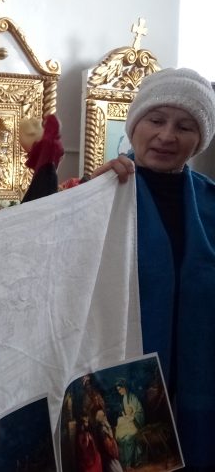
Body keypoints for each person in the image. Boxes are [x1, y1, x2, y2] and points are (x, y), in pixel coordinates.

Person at [92, 67, 215, 471]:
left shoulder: (211, 202)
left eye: (185, 126)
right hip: (123, 379)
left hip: (200, 383)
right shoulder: (101, 192)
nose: (167, 135)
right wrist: (83, 200)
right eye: (156, 120)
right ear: (134, 125)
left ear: (200, 139)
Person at [114, 379, 143, 471]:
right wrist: (126, 417)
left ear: (124, 387)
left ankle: (128, 465)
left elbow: (140, 411)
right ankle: (128, 463)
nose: (119, 391)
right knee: (122, 439)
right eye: (118, 390)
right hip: (129, 423)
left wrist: (133, 417)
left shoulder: (133, 397)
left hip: (136, 423)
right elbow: (127, 413)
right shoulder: (124, 398)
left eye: (120, 389)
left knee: (128, 439)